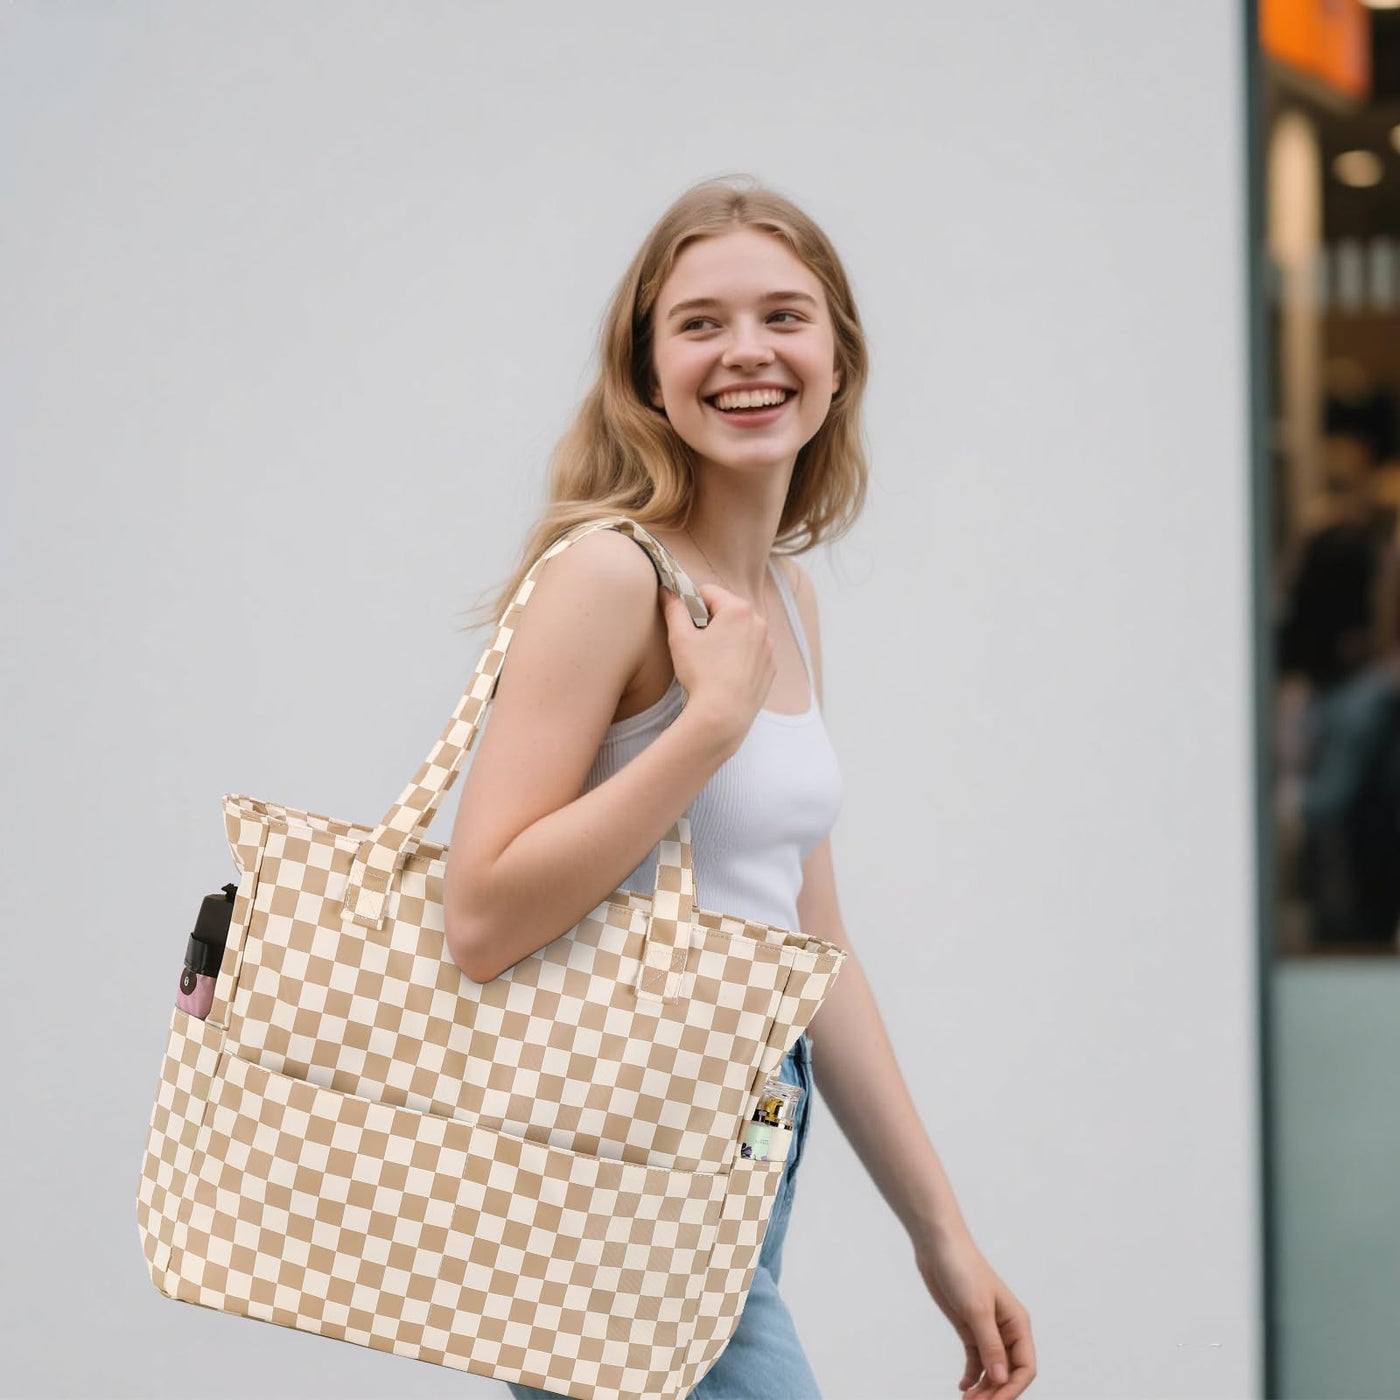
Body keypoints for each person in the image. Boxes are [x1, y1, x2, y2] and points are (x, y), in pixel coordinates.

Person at [442, 175, 1037, 1399]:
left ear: (836, 361)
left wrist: (939, 1232)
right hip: (608, 1171)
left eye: (783, 316)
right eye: (700, 323)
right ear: (647, 372)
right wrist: (704, 724)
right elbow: (482, 912)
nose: (746, 351)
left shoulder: (787, 604)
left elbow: (811, 945)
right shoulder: (607, 577)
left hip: (752, 1124)